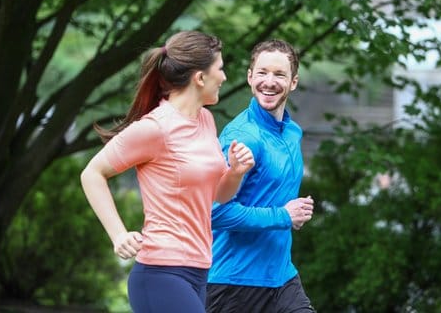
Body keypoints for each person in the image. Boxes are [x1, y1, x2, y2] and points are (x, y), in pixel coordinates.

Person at [80, 31, 255, 313]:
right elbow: (92, 173)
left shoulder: (206, 120)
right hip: (160, 273)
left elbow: (220, 195)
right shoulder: (155, 128)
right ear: (200, 78)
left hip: (198, 271)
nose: (224, 77)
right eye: (220, 69)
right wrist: (118, 235)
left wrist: (236, 171)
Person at [206, 39, 316, 312]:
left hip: (282, 277)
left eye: (279, 74)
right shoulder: (242, 137)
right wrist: (283, 216)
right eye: (262, 72)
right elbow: (215, 212)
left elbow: (273, 197)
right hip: (234, 283)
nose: (269, 81)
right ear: (249, 77)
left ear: (293, 82)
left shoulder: (292, 133)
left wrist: (294, 212)